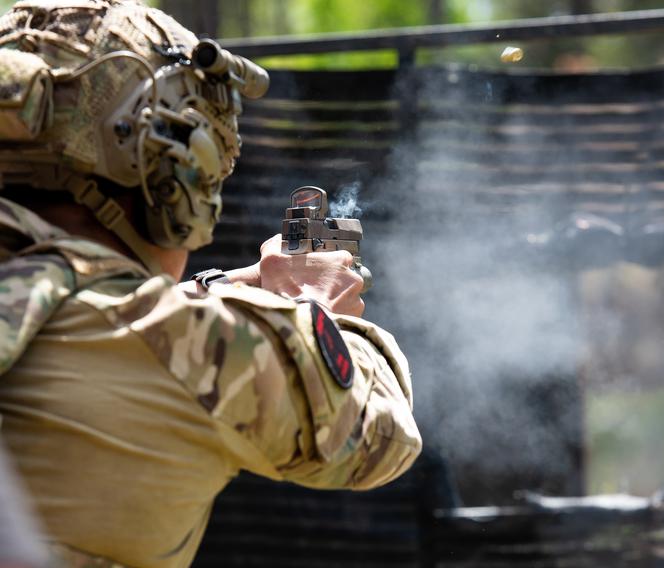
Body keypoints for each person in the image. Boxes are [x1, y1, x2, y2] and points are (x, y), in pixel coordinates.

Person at [0, 1, 421, 566]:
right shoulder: (186, 354)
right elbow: (378, 435)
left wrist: (218, 295)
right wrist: (314, 312)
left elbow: (81, 305)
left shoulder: (150, 332)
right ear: (172, 178)